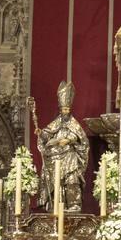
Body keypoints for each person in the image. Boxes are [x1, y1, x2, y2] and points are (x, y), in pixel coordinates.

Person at [37, 80, 89, 211]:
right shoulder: (55, 123)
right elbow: (47, 135)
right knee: (57, 181)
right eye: (63, 109)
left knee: (72, 180)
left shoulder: (74, 123)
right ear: (60, 110)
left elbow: (82, 139)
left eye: (67, 109)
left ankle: (73, 204)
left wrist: (69, 140)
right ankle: (57, 205)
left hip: (70, 156)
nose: (66, 111)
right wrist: (41, 133)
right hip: (56, 158)